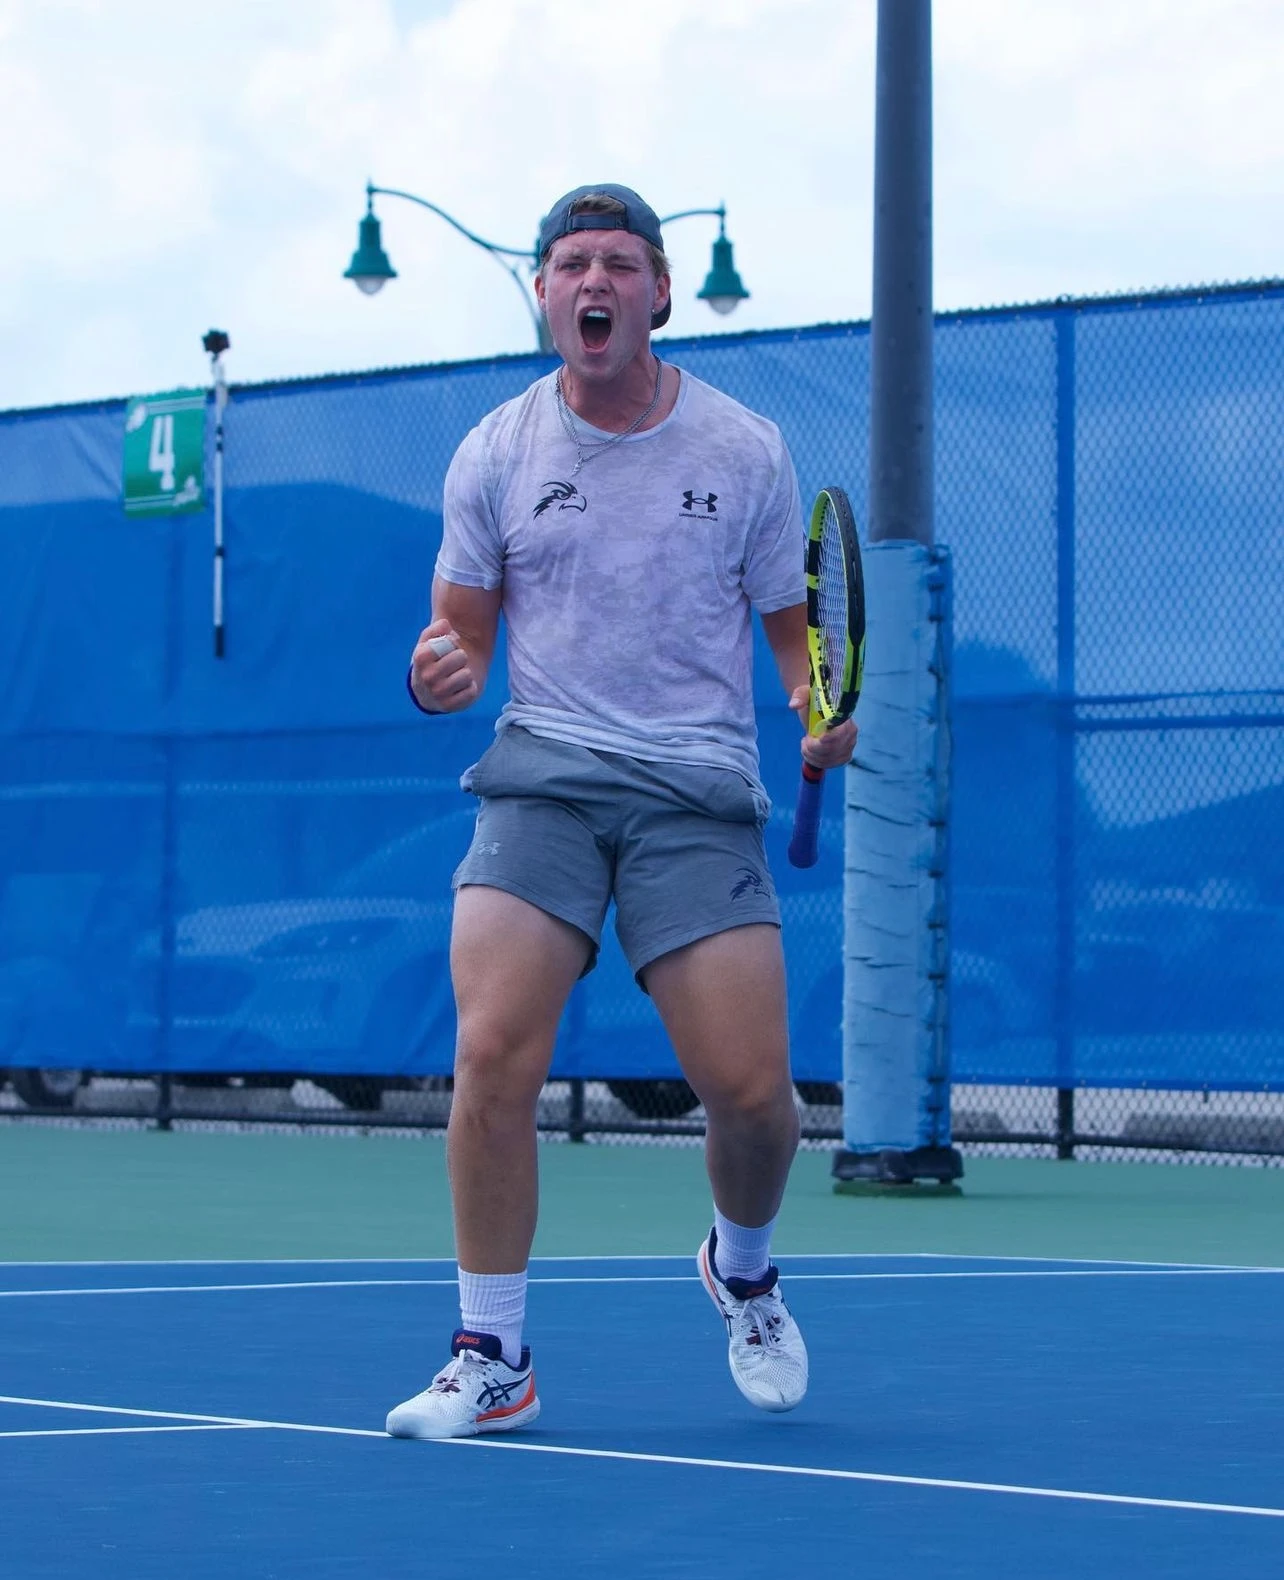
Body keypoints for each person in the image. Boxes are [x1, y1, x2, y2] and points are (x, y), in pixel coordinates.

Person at [386, 184, 856, 1441]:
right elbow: (460, 640)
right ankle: (494, 1351)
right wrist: (439, 675)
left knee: (757, 1099)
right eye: (571, 264)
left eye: (620, 264)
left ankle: (742, 1268)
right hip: (543, 775)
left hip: (695, 792)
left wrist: (818, 706)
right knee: (492, 1049)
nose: (594, 282)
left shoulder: (744, 449)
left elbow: (794, 636)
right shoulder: (494, 451)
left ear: (654, 293)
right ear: (545, 293)